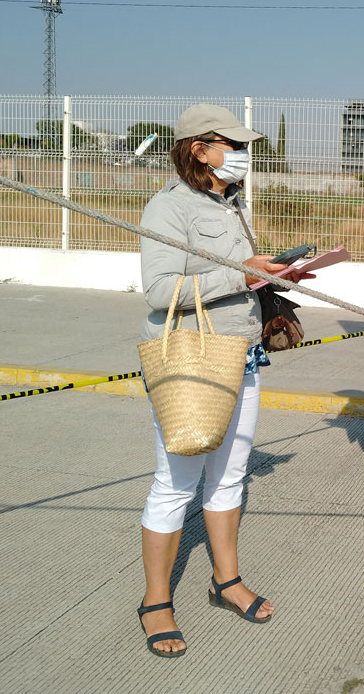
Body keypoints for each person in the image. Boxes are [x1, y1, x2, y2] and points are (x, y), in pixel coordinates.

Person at [137, 104, 313, 657]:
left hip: (242, 353)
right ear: (198, 149)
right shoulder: (166, 209)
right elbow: (160, 291)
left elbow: (236, 278)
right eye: (230, 145)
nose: (240, 155)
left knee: (230, 476)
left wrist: (275, 275)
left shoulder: (231, 204)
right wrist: (243, 273)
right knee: (176, 482)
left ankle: (225, 581)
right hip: (193, 360)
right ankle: (156, 601)